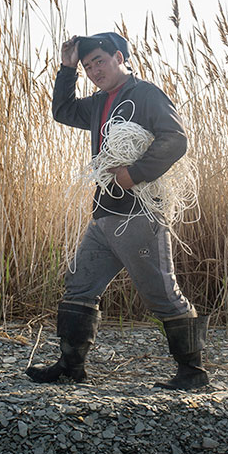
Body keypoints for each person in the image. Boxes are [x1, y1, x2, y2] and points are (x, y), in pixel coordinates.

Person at [25, 32, 209, 390]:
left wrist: (133, 174)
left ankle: (193, 373)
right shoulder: (98, 103)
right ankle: (70, 367)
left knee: (161, 293)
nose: (94, 69)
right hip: (105, 212)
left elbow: (175, 138)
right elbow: (62, 111)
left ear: (120, 57)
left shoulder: (146, 95)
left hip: (139, 214)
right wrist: (66, 69)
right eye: (88, 65)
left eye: (100, 61)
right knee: (79, 286)